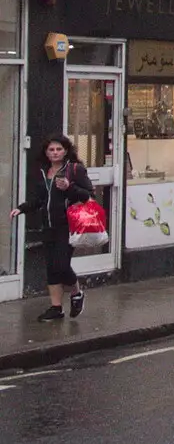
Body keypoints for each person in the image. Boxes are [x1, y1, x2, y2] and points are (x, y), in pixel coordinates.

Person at [12, 134, 93, 321]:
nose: (55, 153)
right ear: (46, 153)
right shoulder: (43, 171)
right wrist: (21, 208)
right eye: (51, 150)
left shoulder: (75, 170)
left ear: (65, 151)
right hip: (48, 225)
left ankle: (77, 293)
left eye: (58, 149)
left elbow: (88, 196)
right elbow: (39, 200)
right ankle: (56, 308)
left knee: (62, 265)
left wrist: (69, 187)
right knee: (51, 268)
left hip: (68, 225)